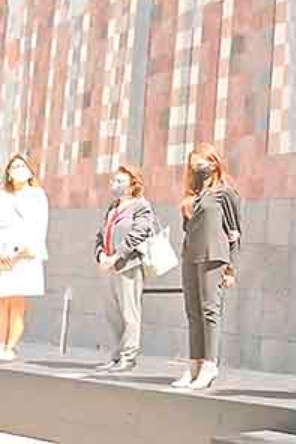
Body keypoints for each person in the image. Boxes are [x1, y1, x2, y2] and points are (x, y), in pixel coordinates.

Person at [172, 143, 242, 390]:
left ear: (213, 163)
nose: (196, 167)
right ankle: (194, 364)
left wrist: (232, 267)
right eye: (193, 164)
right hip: (191, 253)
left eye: (201, 162)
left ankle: (210, 366)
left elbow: (235, 232)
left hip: (214, 255)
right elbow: (188, 228)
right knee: (193, 312)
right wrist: (187, 210)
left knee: (210, 310)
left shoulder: (225, 192)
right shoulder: (193, 194)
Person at [0, 153, 50, 362]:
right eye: (13, 166)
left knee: (17, 301)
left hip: (24, 254)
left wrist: (22, 253)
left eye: (21, 166)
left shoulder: (37, 195)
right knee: (1, 301)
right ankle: (0, 345)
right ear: (7, 172)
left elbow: (40, 227)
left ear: (30, 171)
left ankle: (11, 346)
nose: (17, 169)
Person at [93, 164, 155, 372]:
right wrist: (101, 254)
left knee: (130, 313)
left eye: (120, 181)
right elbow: (101, 234)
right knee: (113, 314)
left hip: (128, 266)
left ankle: (129, 356)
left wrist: (117, 255)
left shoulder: (141, 206)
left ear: (132, 185)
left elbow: (139, 233)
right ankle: (117, 355)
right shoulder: (113, 207)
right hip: (108, 266)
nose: (115, 184)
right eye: (114, 180)